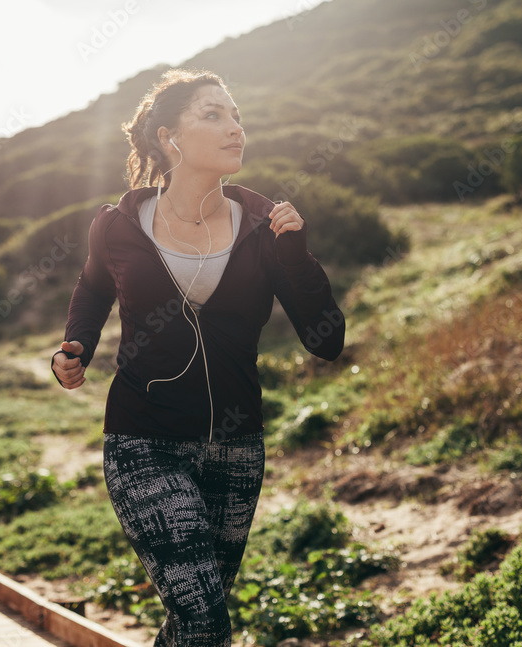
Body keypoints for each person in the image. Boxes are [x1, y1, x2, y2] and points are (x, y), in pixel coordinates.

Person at [51, 68, 345, 647]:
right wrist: (75, 344)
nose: (235, 128)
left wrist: (296, 259)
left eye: (236, 115)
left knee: (192, 625)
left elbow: (326, 340)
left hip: (237, 450)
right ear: (169, 137)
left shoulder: (266, 230)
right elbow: (92, 289)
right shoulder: (116, 226)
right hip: (143, 443)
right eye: (213, 115)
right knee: (206, 620)